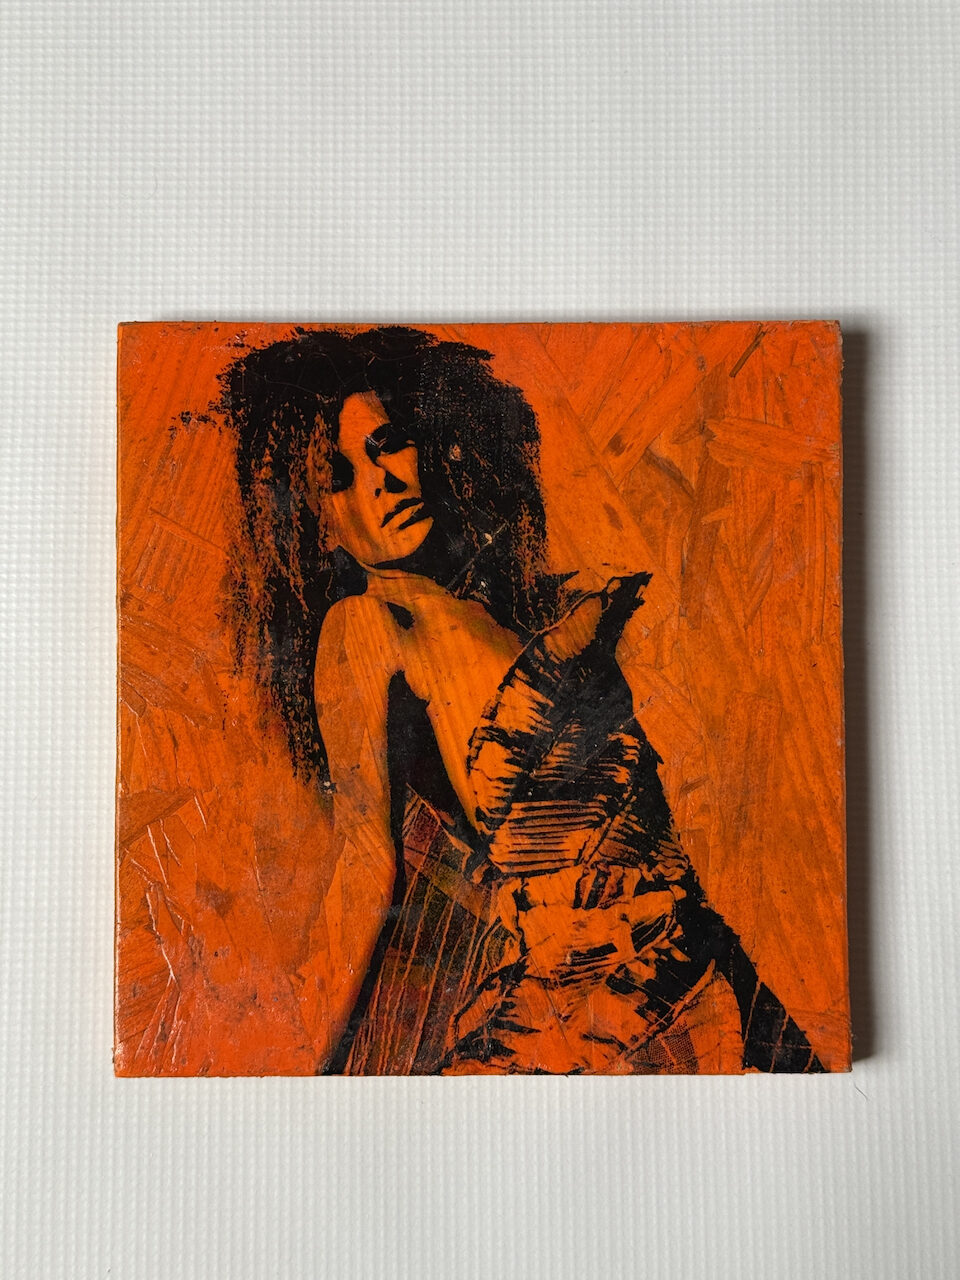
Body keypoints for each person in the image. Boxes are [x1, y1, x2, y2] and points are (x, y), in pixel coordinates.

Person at [223, 326, 823, 1074]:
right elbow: (366, 866)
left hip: (706, 962)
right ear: (315, 524)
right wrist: (308, 1084)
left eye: (387, 446)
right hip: (595, 1011)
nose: (385, 481)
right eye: (339, 476)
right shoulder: (366, 624)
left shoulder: (504, 610)